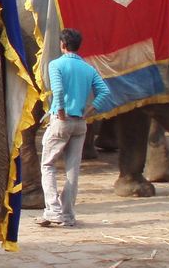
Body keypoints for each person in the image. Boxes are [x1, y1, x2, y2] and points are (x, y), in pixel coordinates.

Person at [38, 28, 113, 228]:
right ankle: (68, 215)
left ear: (62, 45)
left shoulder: (56, 65)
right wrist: (89, 112)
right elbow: (104, 92)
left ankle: (53, 211)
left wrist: (61, 110)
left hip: (61, 120)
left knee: (48, 165)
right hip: (80, 122)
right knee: (72, 170)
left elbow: (58, 89)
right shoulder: (88, 68)